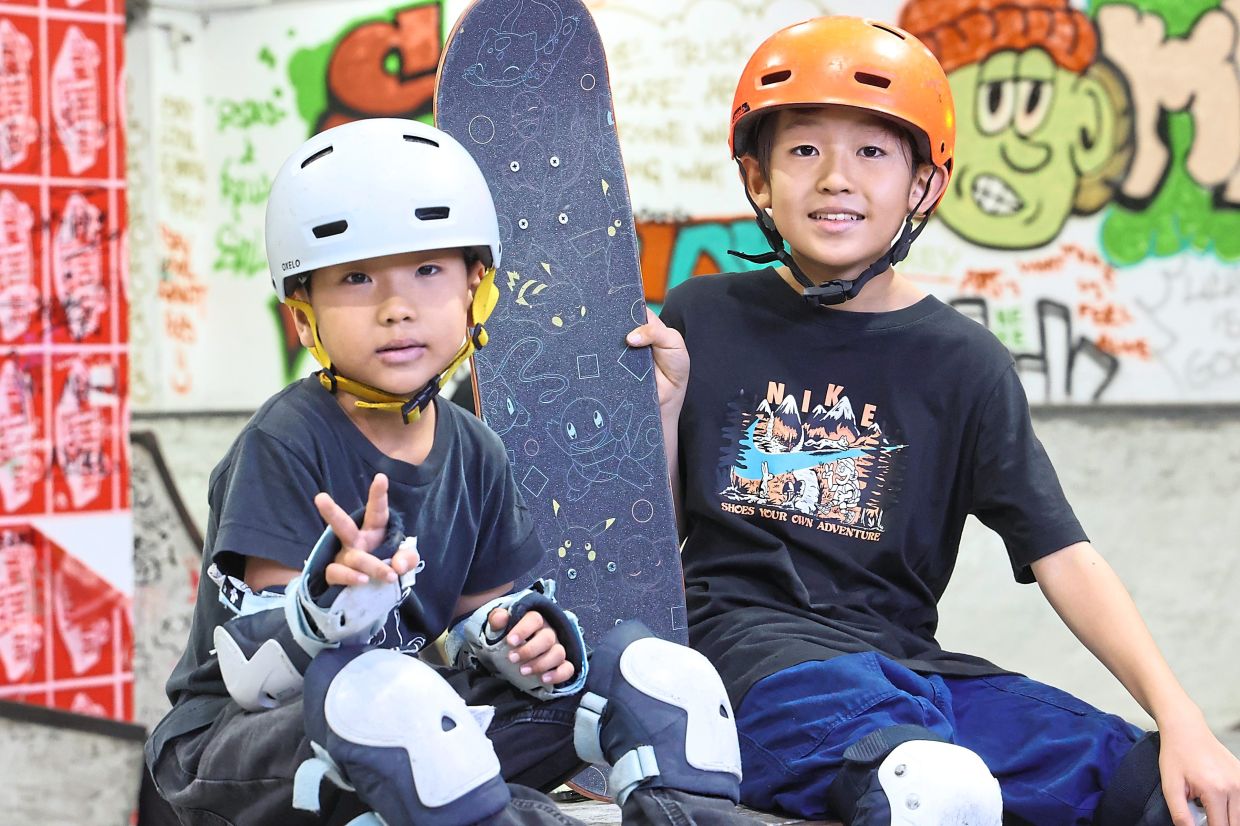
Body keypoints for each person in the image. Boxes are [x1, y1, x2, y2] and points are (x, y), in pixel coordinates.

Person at [627, 16, 1240, 826]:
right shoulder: (703, 315)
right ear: (759, 178)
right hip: (751, 658)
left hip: (912, 671)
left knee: (1156, 792)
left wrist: (1183, 721)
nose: (836, 179)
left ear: (924, 185)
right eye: (804, 150)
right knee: (916, 775)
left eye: (872, 153)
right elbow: (644, 532)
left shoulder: (965, 362)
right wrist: (663, 409)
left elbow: (1066, 557)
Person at [142, 117, 748, 825]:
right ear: (302, 313)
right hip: (238, 754)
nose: (396, 307)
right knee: (390, 703)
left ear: (476, 287)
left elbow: (477, 622)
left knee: (655, 681)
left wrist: (516, 640)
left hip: (405, 719)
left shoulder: (473, 449)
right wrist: (328, 608)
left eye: (428, 270)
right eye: (358, 278)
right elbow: (258, 678)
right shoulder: (283, 442)